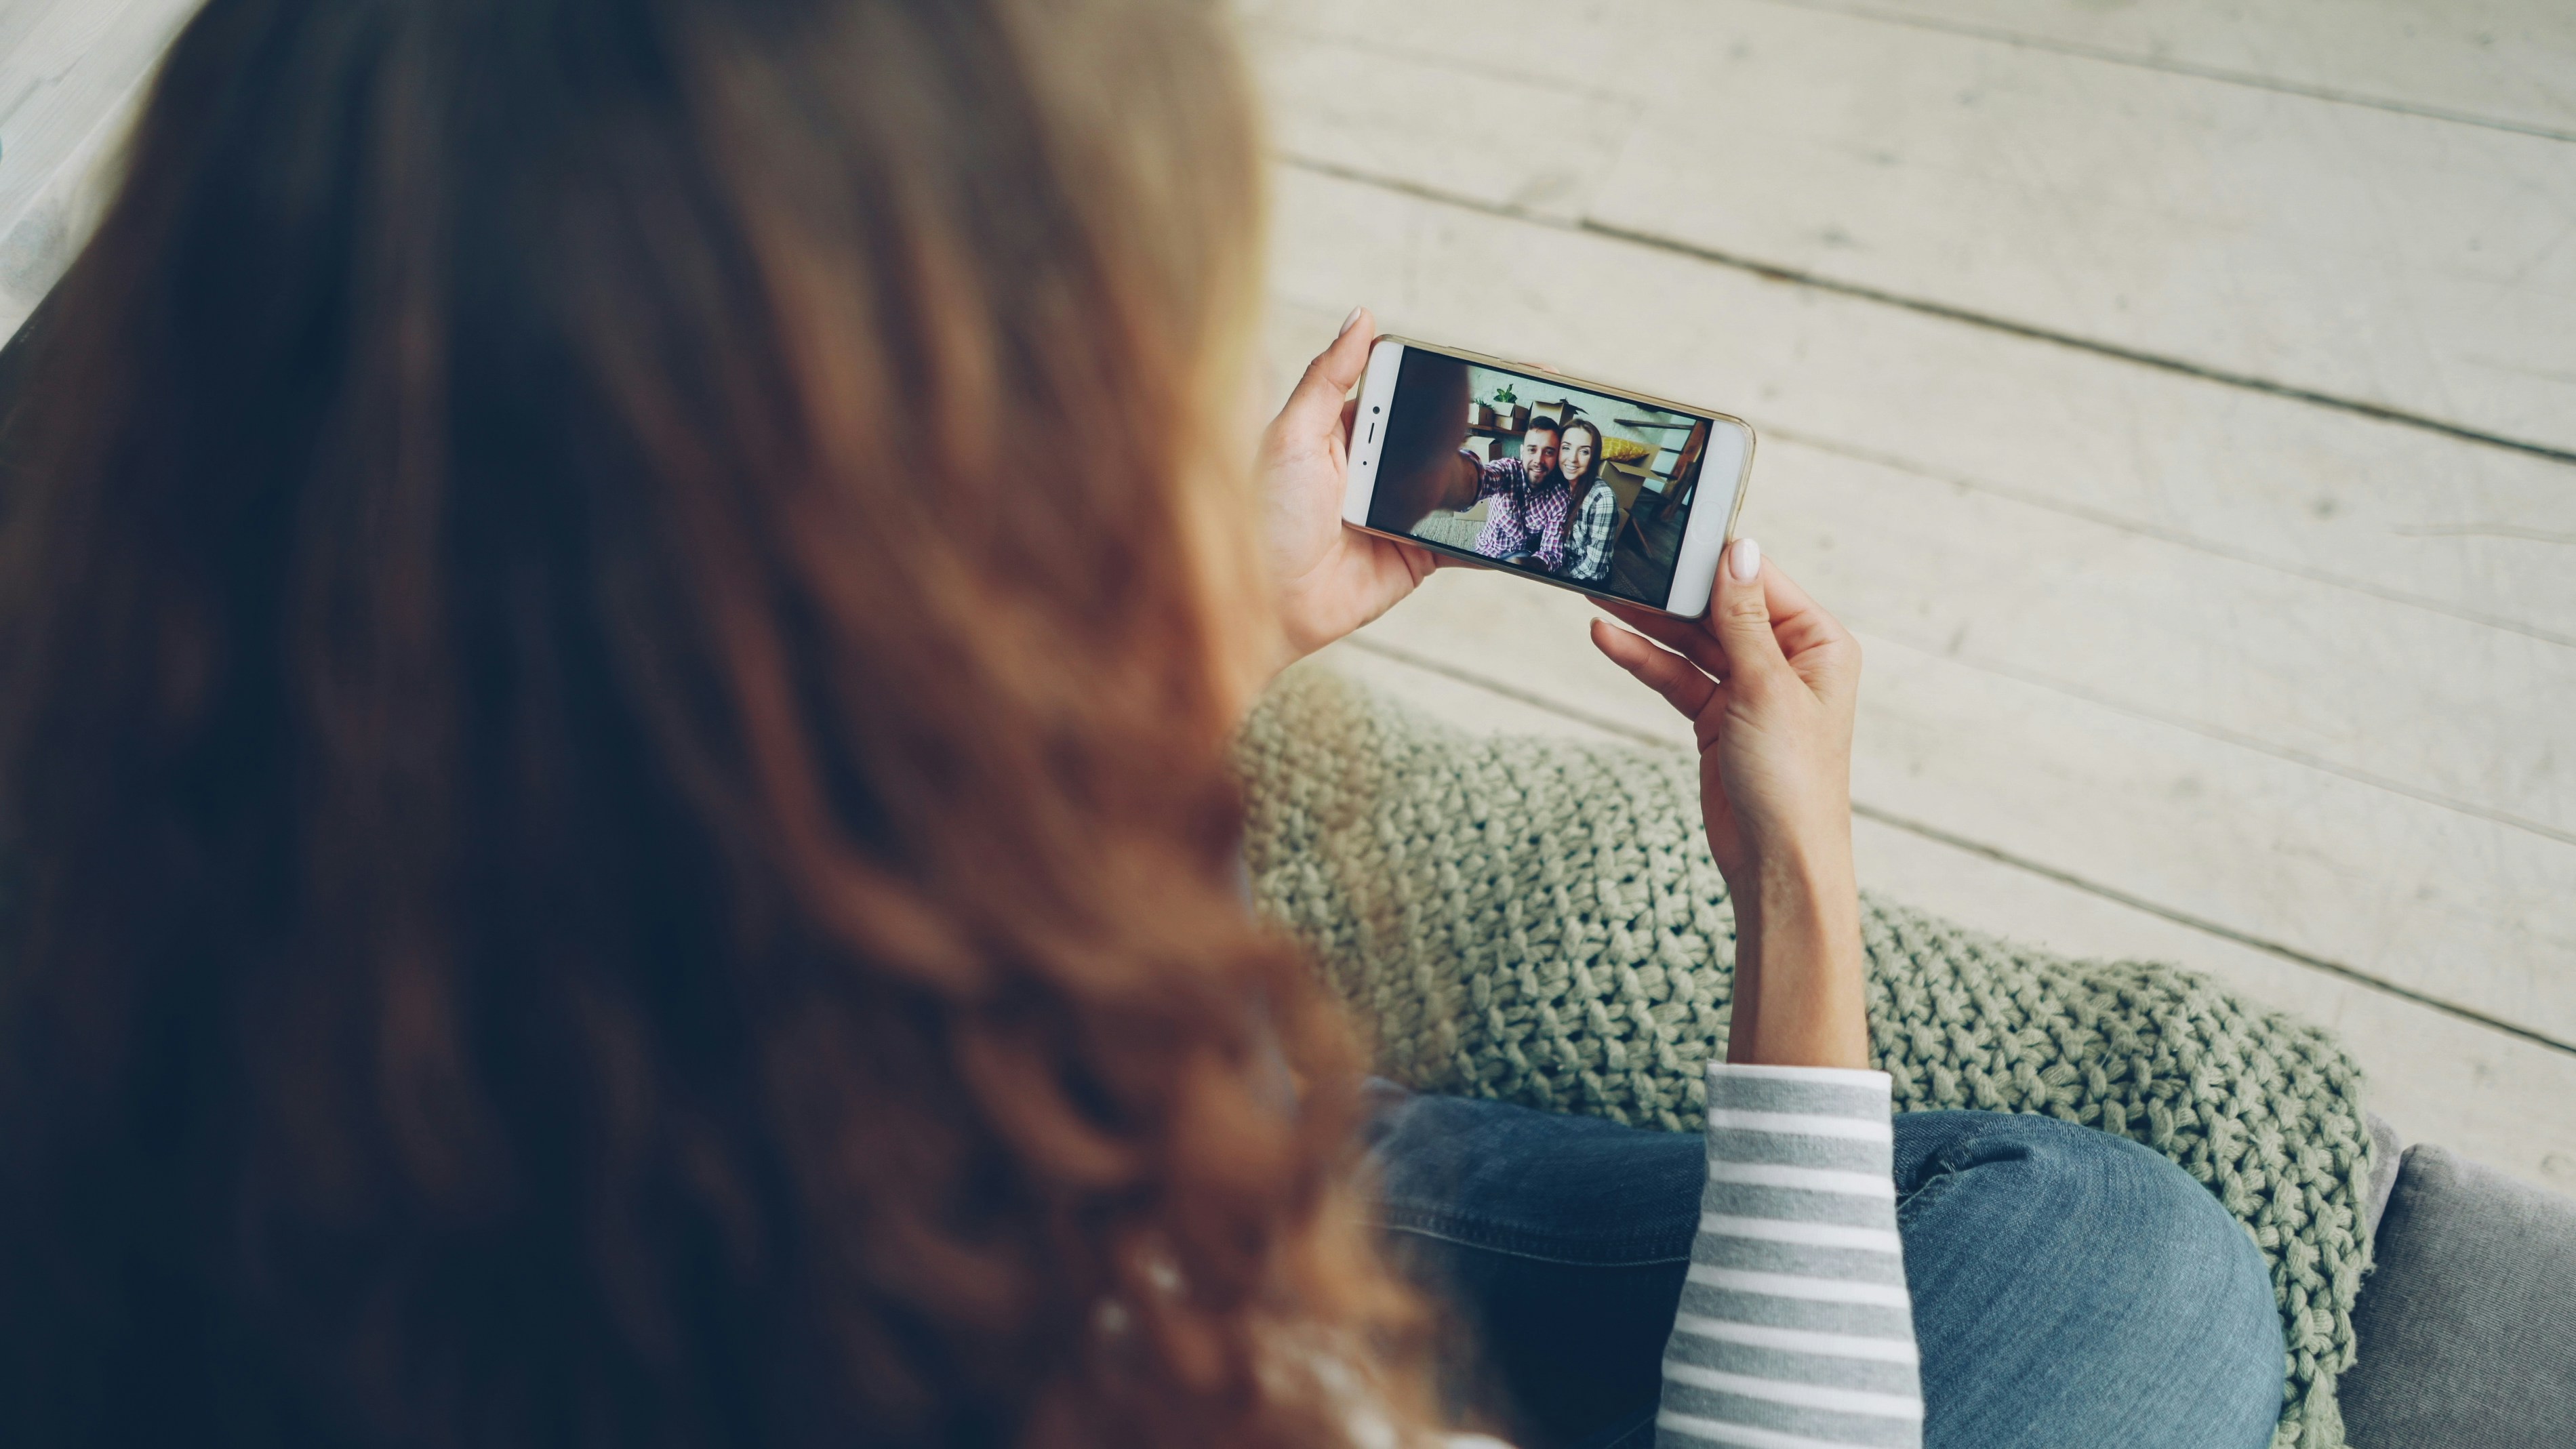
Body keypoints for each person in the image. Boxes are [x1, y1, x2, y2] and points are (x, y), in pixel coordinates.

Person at [0, 1, 2284, 1448]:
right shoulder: (1104, 1331)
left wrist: (1210, 644)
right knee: (2140, 1269)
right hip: (1016, 1236)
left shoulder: (214, 932)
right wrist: (1800, 883)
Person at [1555, 419, 1617, 586]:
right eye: (1566, 448)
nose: (1573, 459)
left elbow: (1594, 567)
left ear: (1593, 458)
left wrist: (1558, 576)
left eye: (1584, 452)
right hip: (1560, 561)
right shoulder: (1555, 484)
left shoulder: (1603, 498)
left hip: (1587, 576)